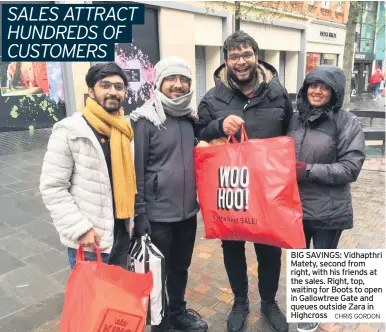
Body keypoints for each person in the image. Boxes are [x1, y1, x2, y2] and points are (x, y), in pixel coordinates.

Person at [195, 31, 293, 332]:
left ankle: (268, 301)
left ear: (256, 56)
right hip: (231, 188)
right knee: (233, 248)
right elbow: (199, 132)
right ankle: (240, 301)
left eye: (246, 54)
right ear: (226, 60)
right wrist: (218, 125)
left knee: (270, 249)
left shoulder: (278, 93)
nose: (241, 61)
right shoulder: (213, 98)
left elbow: (292, 134)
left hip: (267, 190)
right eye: (234, 56)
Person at [130, 56, 208, 332]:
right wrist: (139, 214)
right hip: (158, 215)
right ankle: (158, 321)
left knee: (180, 269)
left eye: (183, 80)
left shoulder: (190, 118)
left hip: (187, 213)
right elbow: (136, 171)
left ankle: (177, 312)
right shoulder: (145, 119)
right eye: (171, 79)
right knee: (154, 274)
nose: (178, 85)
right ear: (159, 83)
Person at [287, 65, 365, 332]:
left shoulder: (347, 122)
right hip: (296, 207)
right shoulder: (294, 119)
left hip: (329, 209)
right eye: (312, 85)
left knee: (320, 262)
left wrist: (306, 170)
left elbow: (350, 168)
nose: (317, 91)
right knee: (301, 260)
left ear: (334, 92)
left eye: (324, 87)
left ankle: (313, 310)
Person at [40, 63, 135, 269]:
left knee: (117, 297)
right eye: (105, 85)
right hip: (92, 241)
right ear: (91, 91)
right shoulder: (70, 131)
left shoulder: (124, 129)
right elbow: (52, 187)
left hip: (122, 233)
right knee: (91, 299)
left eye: (118, 87)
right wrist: (80, 229)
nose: (113, 92)